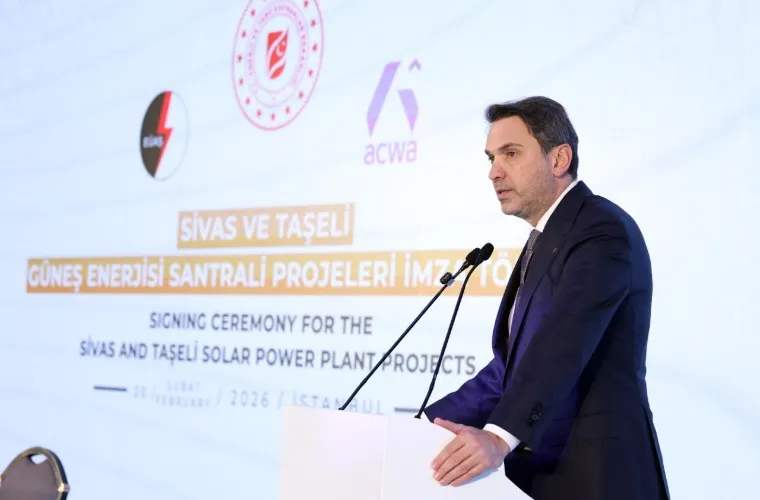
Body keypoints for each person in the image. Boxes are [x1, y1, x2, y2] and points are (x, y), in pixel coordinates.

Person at [423, 96, 670, 500]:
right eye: (491, 158)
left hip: (599, 477)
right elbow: (508, 372)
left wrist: (499, 437)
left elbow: (563, 344)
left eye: (511, 153)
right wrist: (424, 425)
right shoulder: (545, 239)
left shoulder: (601, 231)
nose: (494, 172)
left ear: (559, 159)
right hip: (540, 478)